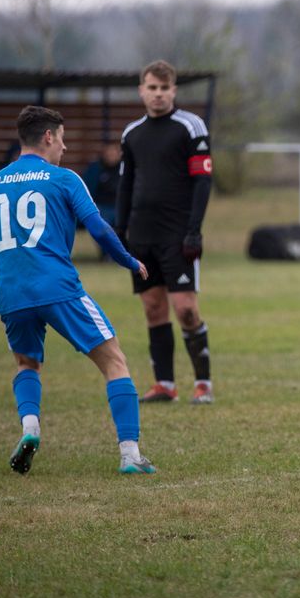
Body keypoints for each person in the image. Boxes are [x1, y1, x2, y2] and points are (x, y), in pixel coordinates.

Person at [0, 105, 157, 476]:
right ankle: (130, 455)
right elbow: (100, 228)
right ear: (48, 137)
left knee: (27, 364)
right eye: (62, 139)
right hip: (59, 289)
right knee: (114, 361)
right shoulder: (65, 179)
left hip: (11, 295)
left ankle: (30, 429)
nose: (64, 147)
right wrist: (127, 260)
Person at [117, 60, 215, 404]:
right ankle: (165, 385)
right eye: (152, 88)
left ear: (173, 91)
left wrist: (194, 230)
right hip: (142, 235)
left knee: (186, 308)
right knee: (153, 308)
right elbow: (126, 185)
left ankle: (203, 384)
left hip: (178, 234)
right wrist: (119, 231)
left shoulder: (190, 127)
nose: (158, 94)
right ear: (142, 90)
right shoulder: (131, 134)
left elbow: (203, 182)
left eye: (164, 88)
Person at [82, 142, 122, 229]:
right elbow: (87, 188)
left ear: (119, 155)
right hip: (101, 206)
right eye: (109, 153)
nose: (111, 155)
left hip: (119, 206)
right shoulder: (95, 169)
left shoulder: (124, 170)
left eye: (113, 153)